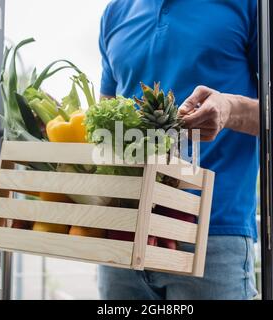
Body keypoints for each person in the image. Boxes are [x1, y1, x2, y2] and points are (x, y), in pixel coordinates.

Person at [98, 0, 260, 300]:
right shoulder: (115, 12)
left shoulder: (248, 5)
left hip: (213, 234)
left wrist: (230, 109)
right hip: (123, 233)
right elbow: (105, 122)